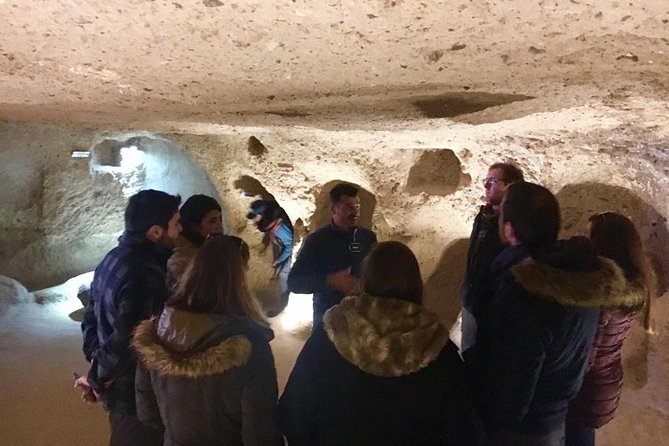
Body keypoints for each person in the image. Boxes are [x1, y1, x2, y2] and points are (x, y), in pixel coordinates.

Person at [279, 241, 484, 446]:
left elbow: (294, 415)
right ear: (417, 285)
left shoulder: (333, 335)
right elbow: (463, 430)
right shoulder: (438, 350)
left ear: (365, 282)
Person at [478, 182, 630, 446]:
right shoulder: (582, 277)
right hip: (556, 419)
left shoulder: (525, 293)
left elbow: (515, 383)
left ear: (509, 229)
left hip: (523, 431)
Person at [133, 235, 283, 446]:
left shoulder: (157, 335)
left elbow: (148, 414)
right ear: (239, 279)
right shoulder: (248, 347)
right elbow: (260, 434)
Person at [78, 189, 181, 446]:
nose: (180, 231)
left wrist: (96, 364)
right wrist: (98, 378)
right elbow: (129, 339)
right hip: (135, 394)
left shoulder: (113, 258)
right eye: (176, 224)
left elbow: (90, 319)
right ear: (156, 232)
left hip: (119, 390)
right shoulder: (144, 273)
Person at [565, 212, 654, 446]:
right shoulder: (633, 284)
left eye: (591, 237)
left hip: (587, 387)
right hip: (604, 382)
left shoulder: (606, 293)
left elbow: (589, 354)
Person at [288, 183, 376, 329]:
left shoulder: (367, 238)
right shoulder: (317, 241)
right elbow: (295, 282)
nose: (355, 212)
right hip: (328, 324)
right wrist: (330, 281)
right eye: (348, 206)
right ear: (333, 209)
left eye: (357, 207)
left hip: (361, 323)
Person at [458, 162, 524, 355]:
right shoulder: (484, 217)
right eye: (486, 181)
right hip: (472, 300)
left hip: (493, 309)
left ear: (510, 186)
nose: (486, 186)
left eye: (492, 181)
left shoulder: (514, 225)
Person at [246, 199, 294, 316]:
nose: (254, 221)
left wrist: (280, 259)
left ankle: (285, 304)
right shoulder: (270, 223)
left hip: (289, 252)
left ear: (261, 215)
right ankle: (283, 301)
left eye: (255, 217)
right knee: (280, 274)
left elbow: (289, 245)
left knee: (284, 275)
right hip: (282, 249)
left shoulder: (279, 227)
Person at [166, 194, 223, 289]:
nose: (219, 226)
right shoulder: (182, 260)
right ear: (195, 227)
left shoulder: (205, 247)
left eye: (220, 219)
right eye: (212, 221)